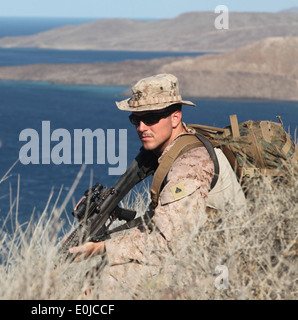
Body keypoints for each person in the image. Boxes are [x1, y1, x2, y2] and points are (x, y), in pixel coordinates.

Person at [69, 73, 246, 298]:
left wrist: (103, 247)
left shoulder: (189, 166)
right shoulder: (178, 145)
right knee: (101, 268)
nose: (141, 127)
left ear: (175, 117)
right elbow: (162, 228)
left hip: (223, 267)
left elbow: (169, 244)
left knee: (110, 279)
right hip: (202, 248)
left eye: (151, 118)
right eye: (136, 119)